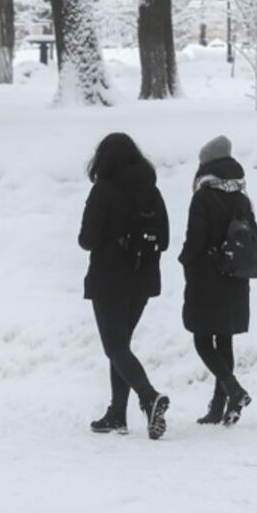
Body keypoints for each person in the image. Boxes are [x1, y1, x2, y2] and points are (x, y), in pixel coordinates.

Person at [77, 132, 171, 440]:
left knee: (115, 347)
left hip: (109, 280)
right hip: (142, 281)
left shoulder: (103, 190)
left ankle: (149, 397)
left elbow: (87, 239)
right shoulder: (151, 190)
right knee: (121, 348)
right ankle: (117, 413)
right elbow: (165, 240)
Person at [179, 135, 257, 426]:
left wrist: (185, 260)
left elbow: (195, 239)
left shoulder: (203, 196)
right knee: (223, 339)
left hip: (206, 275)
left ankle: (233, 391)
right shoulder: (241, 196)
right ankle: (220, 406)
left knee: (202, 339)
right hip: (236, 275)